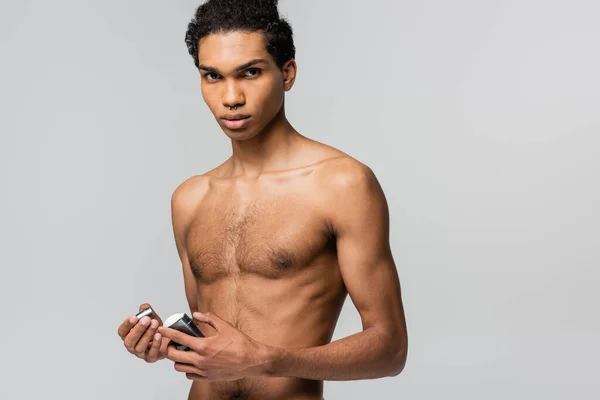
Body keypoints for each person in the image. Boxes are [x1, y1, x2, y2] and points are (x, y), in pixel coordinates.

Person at [117, 0, 408, 398]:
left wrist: (266, 359)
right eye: (212, 76)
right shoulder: (189, 198)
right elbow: (213, 338)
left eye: (250, 73)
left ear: (286, 73)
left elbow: (390, 349)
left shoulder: (342, 184)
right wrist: (165, 342)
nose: (231, 97)